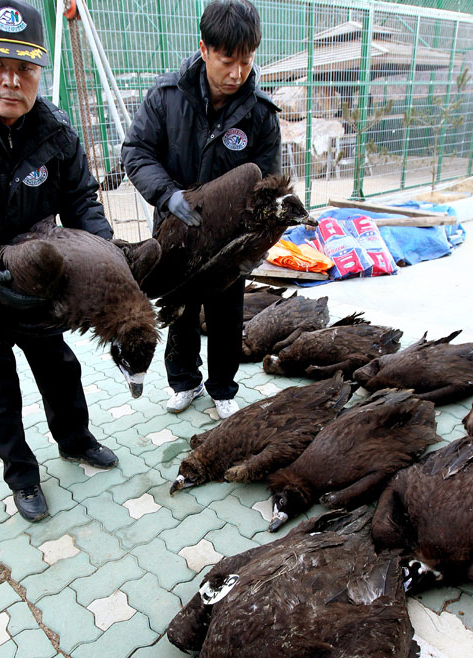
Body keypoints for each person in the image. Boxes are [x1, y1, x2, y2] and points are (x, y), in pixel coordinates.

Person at [0, 0, 119, 523]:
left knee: (59, 367)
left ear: (39, 67)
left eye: (26, 67)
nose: (12, 80)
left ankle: (75, 440)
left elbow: (82, 203)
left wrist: (113, 273)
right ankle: (22, 475)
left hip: (33, 278)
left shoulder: (53, 129)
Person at [122, 0, 281, 420]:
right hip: (175, 231)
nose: (237, 73)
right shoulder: (166, 97)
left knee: (228, 312)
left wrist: (252, 232)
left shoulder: (260, 115)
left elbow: (267, 182)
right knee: (180, 310)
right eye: (227, 61)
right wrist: (167, 194)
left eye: (246, 62)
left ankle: (223, 387)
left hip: (227, 242)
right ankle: (184, 382)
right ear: (204, 49)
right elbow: (136, 152)